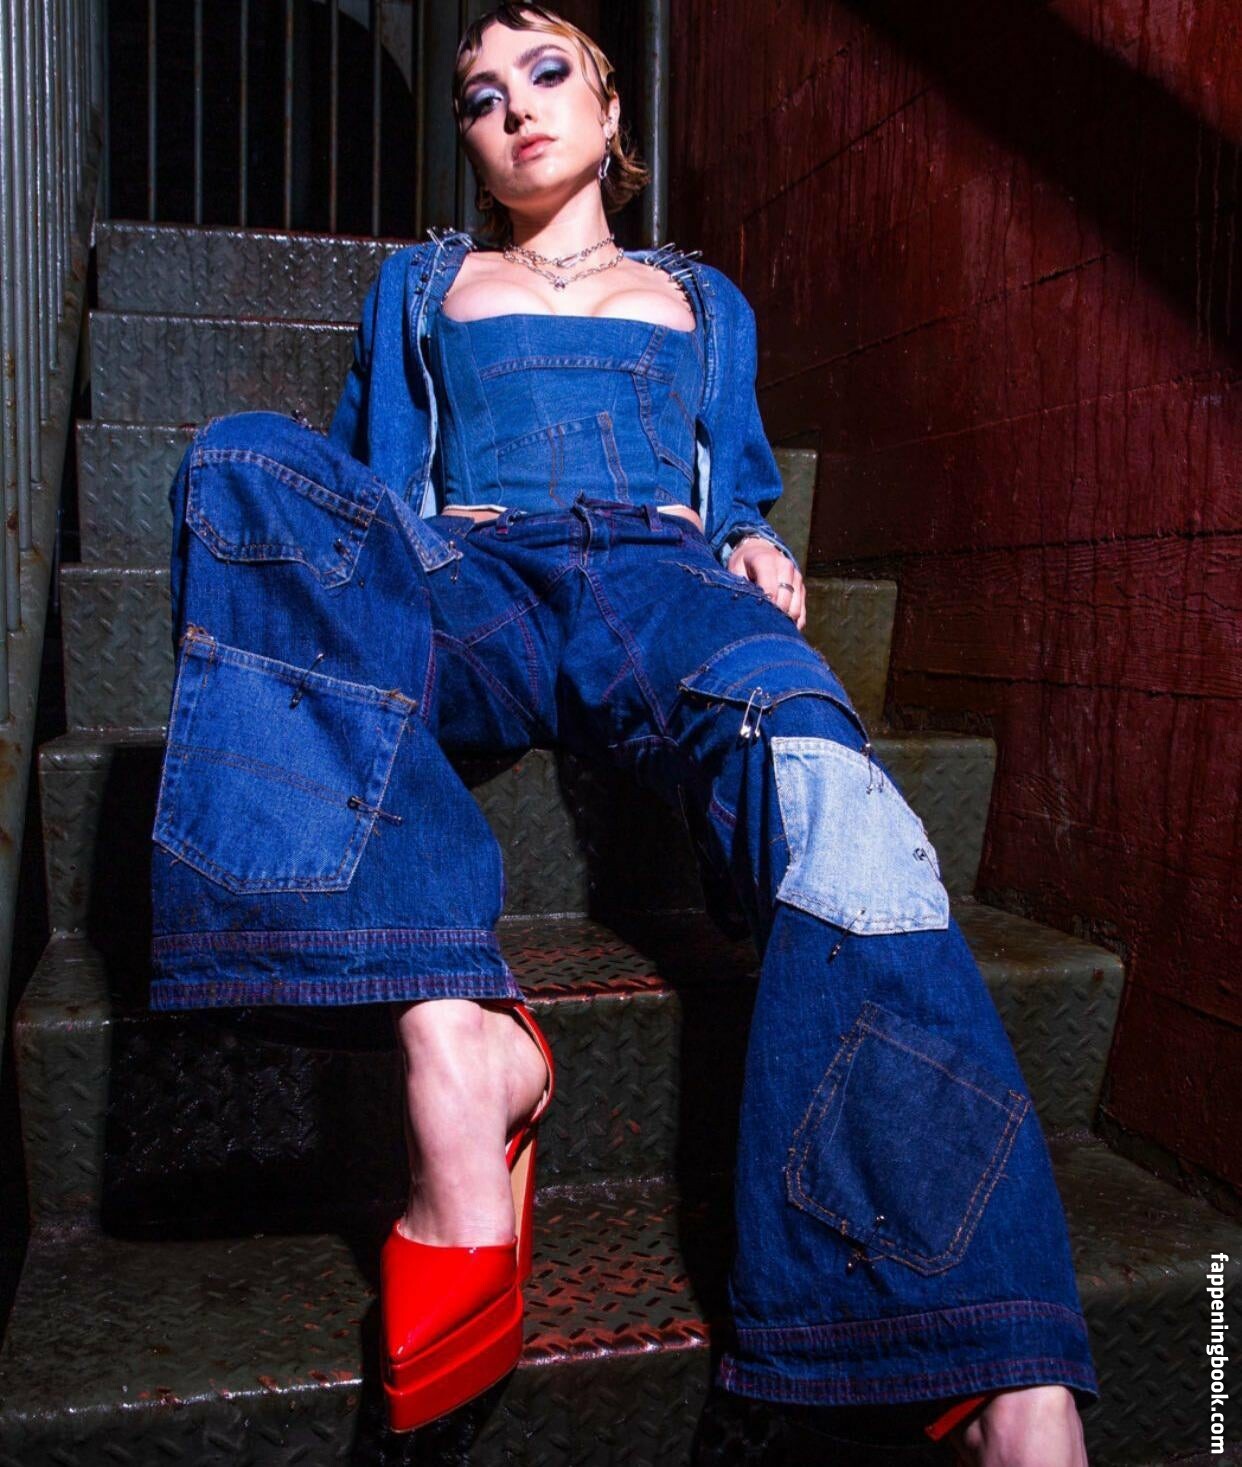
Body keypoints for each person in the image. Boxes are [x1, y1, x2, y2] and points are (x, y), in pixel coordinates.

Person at [148, 3, 1098, 1460]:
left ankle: (984, 1346)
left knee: (836, 797)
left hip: (661, 586)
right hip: (473, 579)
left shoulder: (703, 300)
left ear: (607, 113)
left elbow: (737, 484)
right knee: (241, 465)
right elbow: (364, 488)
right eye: (480, 96)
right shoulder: (422, 281)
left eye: (546, 75)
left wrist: (756, 541)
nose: (514, 109)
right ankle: (456, 1037)